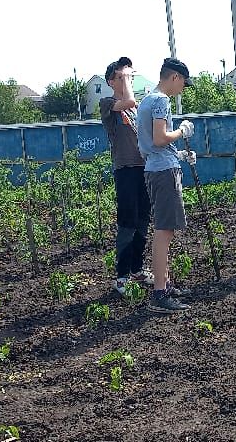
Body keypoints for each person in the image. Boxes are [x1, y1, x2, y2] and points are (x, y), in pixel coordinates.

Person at [135, 58, 197, 314]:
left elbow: (149, 144)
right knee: (165, 231)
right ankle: (160, 293)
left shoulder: (146, 100)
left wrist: (179, 156)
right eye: (183, 82)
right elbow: (160, 138)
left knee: (164, 230)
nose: (182, 88)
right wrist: (182, 131)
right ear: (174, 78)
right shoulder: (161, 100)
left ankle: (165, 284)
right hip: (163, 172)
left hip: (155, 167)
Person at [99, 57, 153, 297]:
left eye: (130, 76)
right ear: (111, 81)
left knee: (143, 219)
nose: (127, 80)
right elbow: (128, 99)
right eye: (121, 77)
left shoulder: (136, 107)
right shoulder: (108, 102)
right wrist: (125, 78)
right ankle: (121, 277)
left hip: (144, 167)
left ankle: (137, 269)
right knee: (127, 223)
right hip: (125, 170)